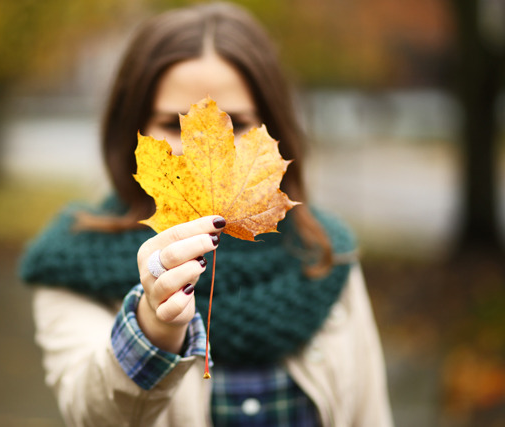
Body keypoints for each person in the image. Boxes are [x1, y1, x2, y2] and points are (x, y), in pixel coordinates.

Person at [19, 3, 393, 426]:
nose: (202, 148)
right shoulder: (75, 261)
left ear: (274, 130)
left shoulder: (323, 255)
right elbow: (93, 414)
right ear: (130, 132)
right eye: (172, 123)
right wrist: (153, 331)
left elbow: (370, 414)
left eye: (235, 121)